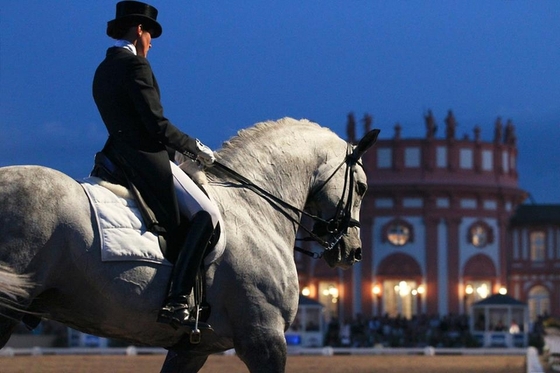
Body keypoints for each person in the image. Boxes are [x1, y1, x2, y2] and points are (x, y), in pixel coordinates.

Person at [92, 1, 219, 331]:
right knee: (206, 216)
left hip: (114, 155)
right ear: (138, 30)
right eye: (150, 35)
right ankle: (177, 299)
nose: (151, 43)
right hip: (144, 157)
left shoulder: (103, 68)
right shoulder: (137, 68)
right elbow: (156, 125)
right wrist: (195, 148)